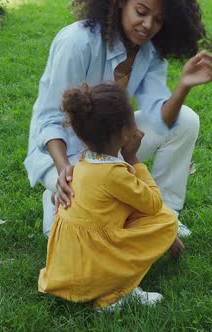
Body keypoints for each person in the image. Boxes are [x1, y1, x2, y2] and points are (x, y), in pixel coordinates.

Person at [23, 0, 212, 238]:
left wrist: (183, 86)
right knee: (94, 218)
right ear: (120, 3)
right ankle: (56, 201)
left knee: (186, 121)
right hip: (61, 150)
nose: (147, 25)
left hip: (108, 143)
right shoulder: (77, 41)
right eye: (141, 12)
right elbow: (50, 118)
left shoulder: (149, 52)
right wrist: (65, 171)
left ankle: (167, 218)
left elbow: (162, 119)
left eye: (158, 20)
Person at [38, 82, 180, 311]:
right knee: (166, 220)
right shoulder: (114, 174)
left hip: (65, 269)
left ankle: (102, 283)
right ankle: (115, 295)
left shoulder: (81, 163)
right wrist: (133, 158)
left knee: (133, 215)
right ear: (126, 132)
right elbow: (153, 204)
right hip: (91, 273)